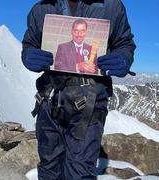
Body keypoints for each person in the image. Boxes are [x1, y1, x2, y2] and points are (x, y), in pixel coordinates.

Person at [21, 0, 136, 179]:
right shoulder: (41, 8)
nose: (79, 34)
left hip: (89, 104)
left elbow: (124, 43)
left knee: (80, 172)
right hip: (50, 99)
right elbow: (30, 43)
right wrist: (28, 55)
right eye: (77, 30)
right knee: (48, 167)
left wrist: (123, 58)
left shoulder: (111, 6)